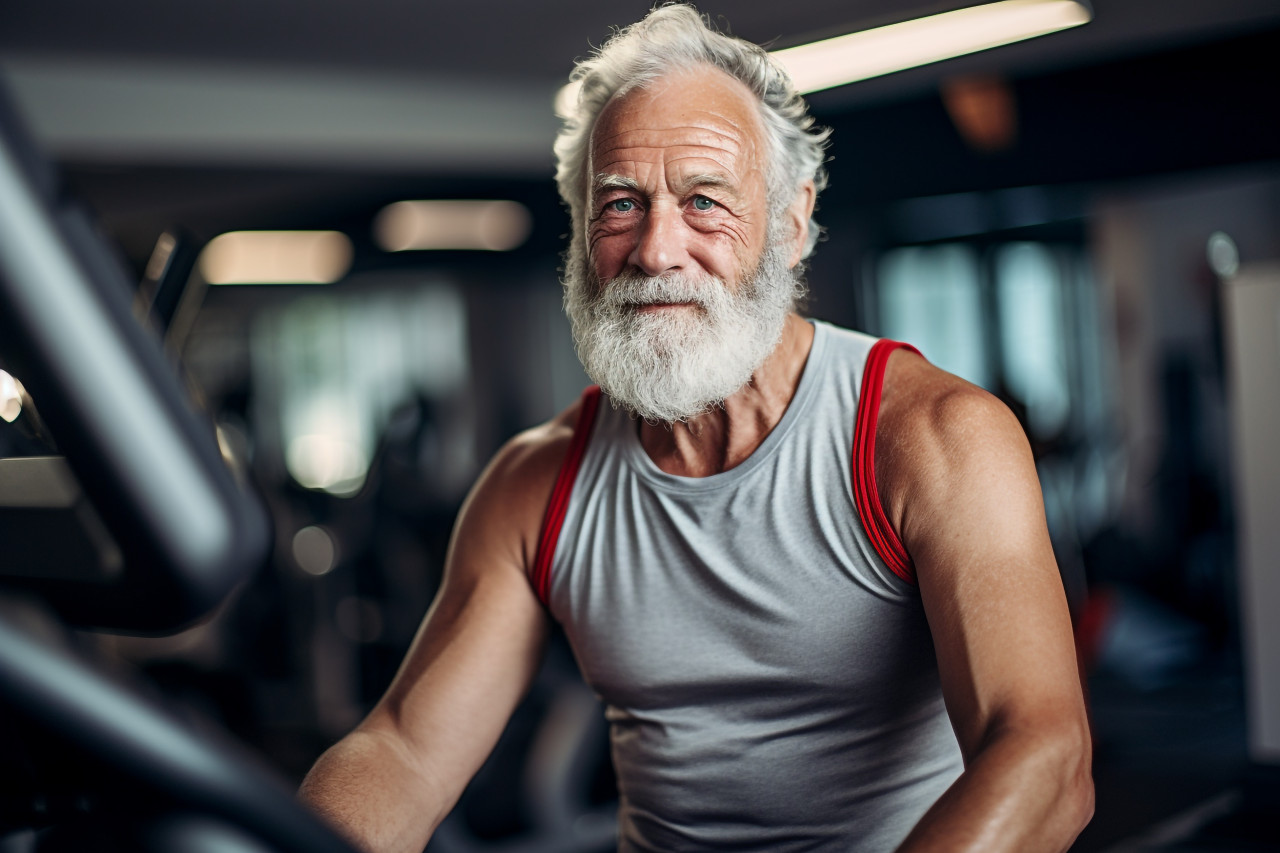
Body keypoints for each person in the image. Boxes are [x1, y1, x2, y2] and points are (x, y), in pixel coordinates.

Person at [298, 6, 1094, 851]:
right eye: (620, 204)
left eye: (704, 201)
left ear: (791, 223)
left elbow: (1044, 757)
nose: (655, 249)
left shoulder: (933, 439)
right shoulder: (539, 487)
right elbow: (406, 750)